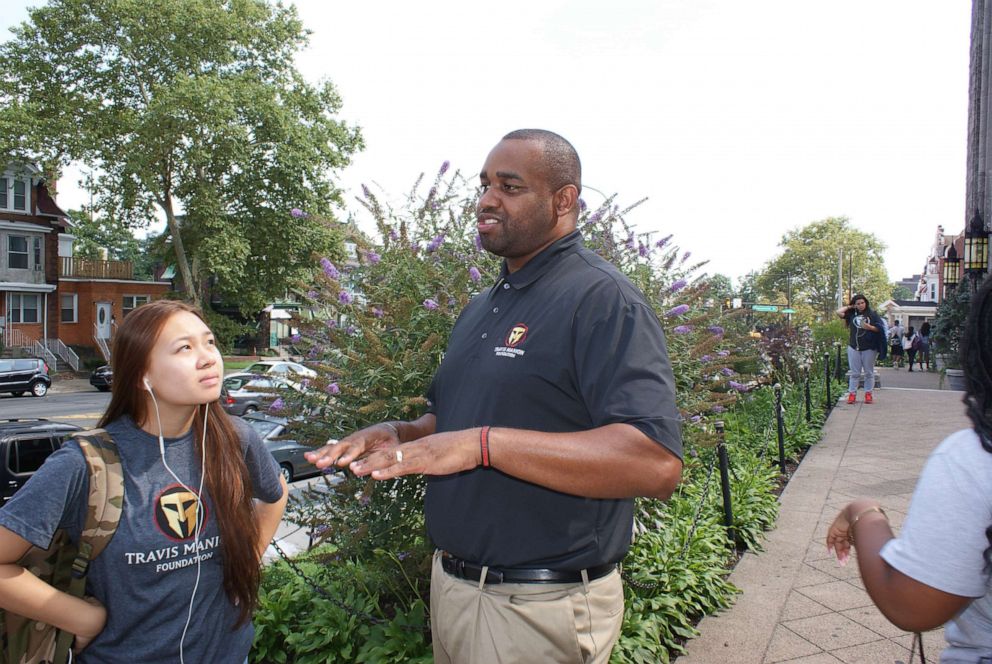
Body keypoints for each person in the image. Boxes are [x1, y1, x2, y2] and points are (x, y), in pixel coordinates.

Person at [307, 129, 683, 664]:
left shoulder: (604, 300)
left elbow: (654, 464)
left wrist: (485, 445)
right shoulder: (483, 306)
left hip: (538, 608)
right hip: (454, 591)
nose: (485, 199)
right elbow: (453, 423)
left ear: (564, 200)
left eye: (509, 186)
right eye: (484, 184)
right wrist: (399, 434)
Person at [0, 300, 288, 663]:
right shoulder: (85, 464)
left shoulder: (235, 439)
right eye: (185, 348)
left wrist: (247, 560)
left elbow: (275, 494)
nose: (208, 357)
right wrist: (84, 619)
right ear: (143, 375)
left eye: (209, 342)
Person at [826, 276, 992, 663]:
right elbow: (841, 313)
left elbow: (913, 607)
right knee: (855, 372)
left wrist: (862, 512)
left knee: (864, 372)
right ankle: (857, 391)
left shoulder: (973, 459)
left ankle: (865, 392)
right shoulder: (852, 317)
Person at [837, 294, 884, 404]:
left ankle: (868, 394)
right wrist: (850, 307)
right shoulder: (852, 314)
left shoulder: (872, 314)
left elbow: (879, 328)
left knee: (869, 372)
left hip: (869, 348)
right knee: (855, 373)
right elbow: (838, 312)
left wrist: (869, 327)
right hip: (854, 347)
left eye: (862, 303)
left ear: (866, 303)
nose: (861, 305)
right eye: (858, 304)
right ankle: (852, 394)